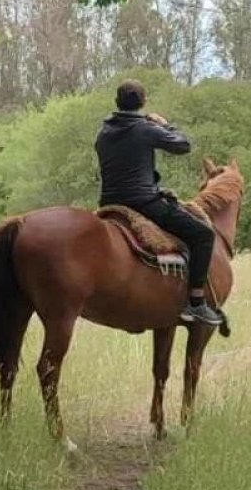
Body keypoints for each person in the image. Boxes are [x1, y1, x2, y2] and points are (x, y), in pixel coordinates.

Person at [95, 79, 221, 325]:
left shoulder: (103, 132)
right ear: (143, 102)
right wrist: (165, 125)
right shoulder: (145, 128)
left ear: (117, 103)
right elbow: (183, 145)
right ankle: (196, 302)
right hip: (143, 202)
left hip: (109, 201)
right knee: (203, 235)